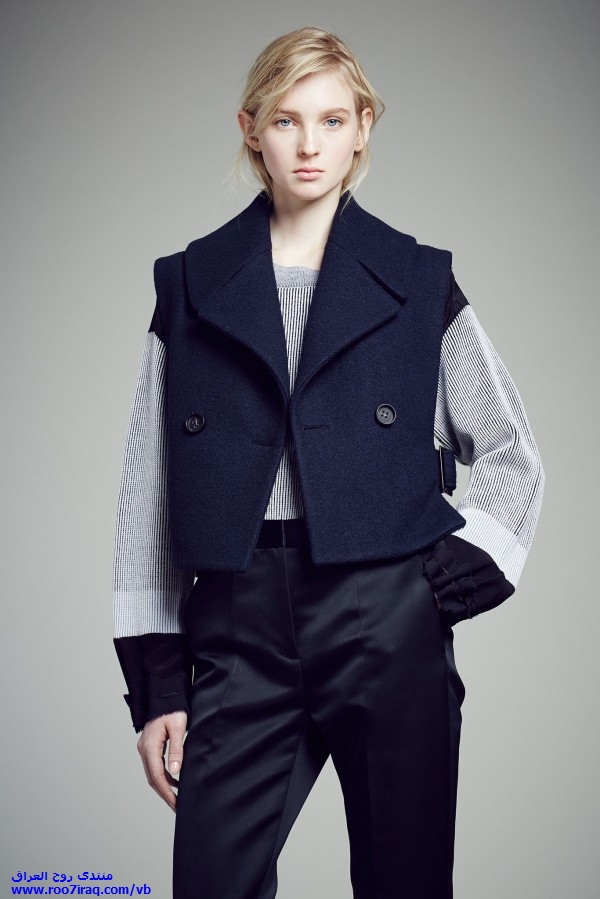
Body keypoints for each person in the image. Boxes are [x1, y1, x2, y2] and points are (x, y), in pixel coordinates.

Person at [112, 25, 544, 899]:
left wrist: (438, 587)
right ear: (250, 129)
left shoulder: (418, 282)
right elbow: (145, 502)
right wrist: (159, 686)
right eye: (286, 120)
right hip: (237, 626)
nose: (309, 145)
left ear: (363, 129)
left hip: (385, 618)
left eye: (333, 120)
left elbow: (511, 451)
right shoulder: (189, 288)